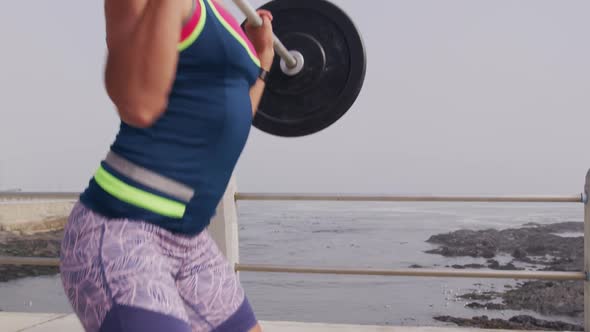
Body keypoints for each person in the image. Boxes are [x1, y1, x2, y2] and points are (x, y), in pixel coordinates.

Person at [59, 0, 275, 331]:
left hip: (191, 241)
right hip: (123, 230)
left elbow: (237, 113)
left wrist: (262, 65)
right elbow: (138, 104)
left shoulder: (225, 15)